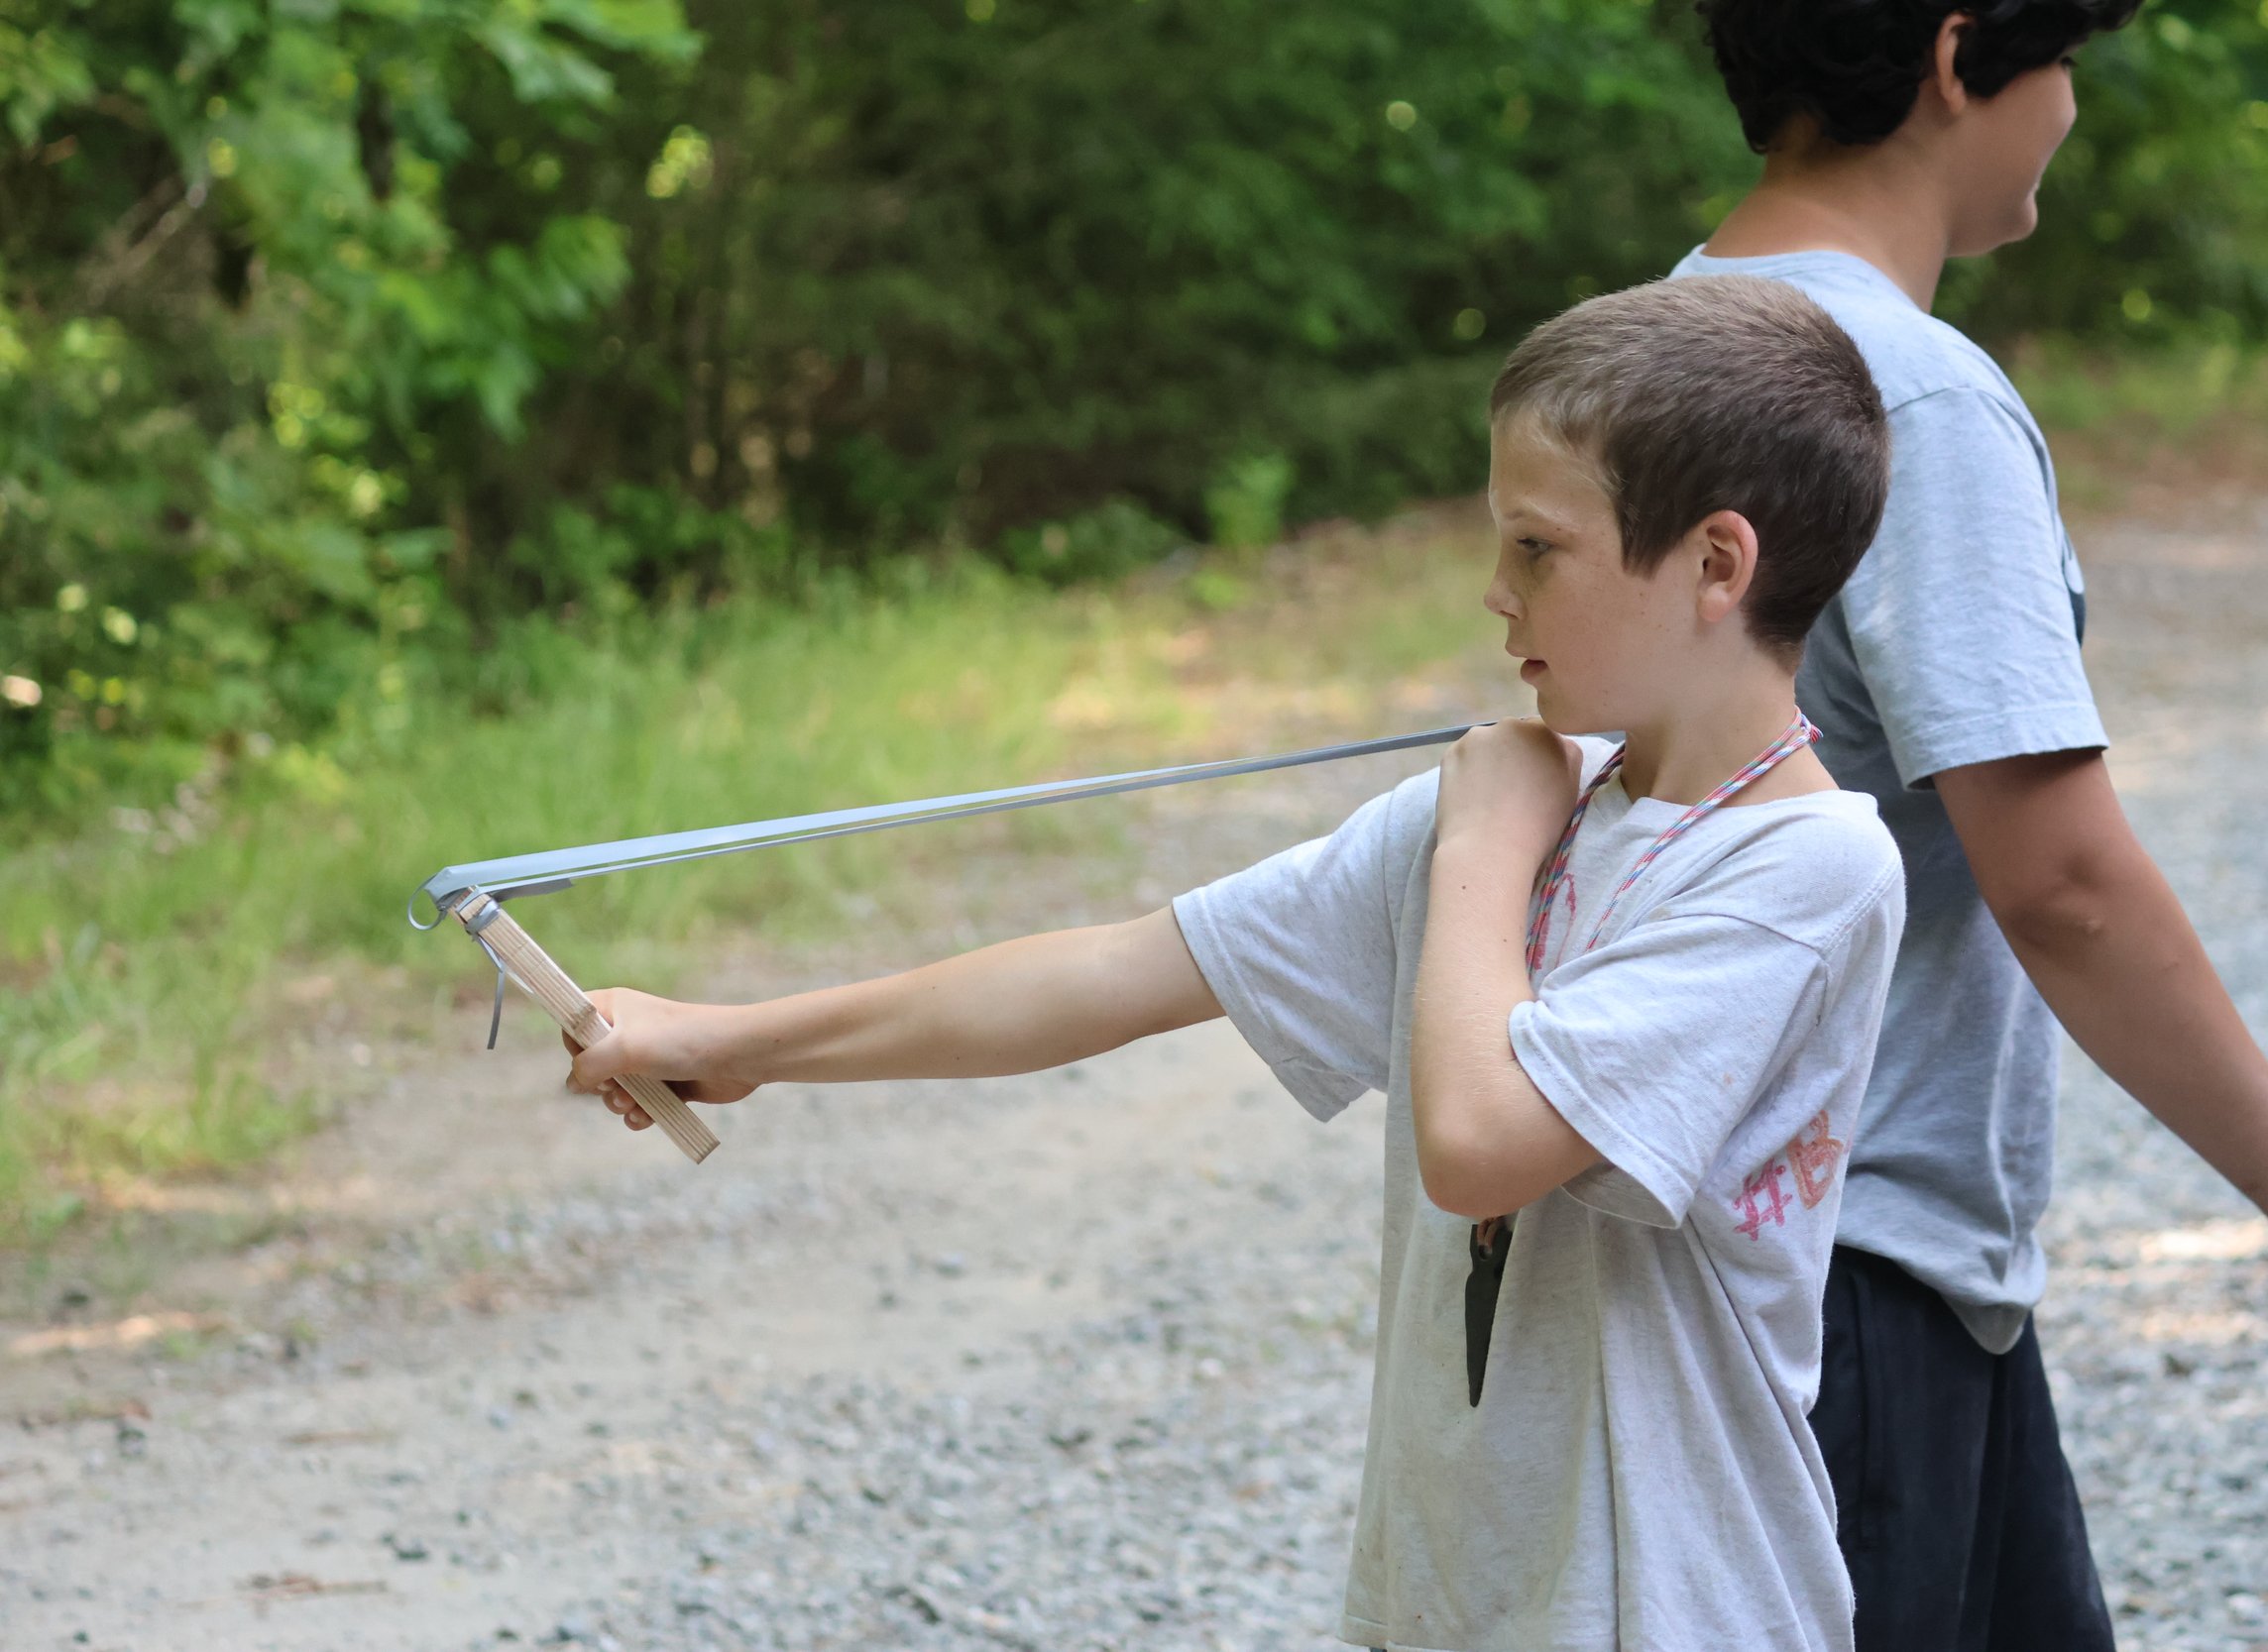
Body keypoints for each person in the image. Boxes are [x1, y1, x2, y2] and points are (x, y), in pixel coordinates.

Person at [565, 276, 1908, 1651]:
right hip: (1456, 1601)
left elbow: (1482, 1147)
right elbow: (1111, 973)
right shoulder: (1515, 807)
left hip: (1678, 1611)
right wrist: (731, 1040)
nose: (1494, 595)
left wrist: (1481, 857)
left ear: (1715, 565)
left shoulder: (1802, 873)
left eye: (1537, 548)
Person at [1671, 4, 2268, 1647]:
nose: (2069, 104)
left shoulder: (1652, 334)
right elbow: (2061, 881)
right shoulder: (1910, 401)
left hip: (1736, 1244)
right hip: (1858, 1282)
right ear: (1955, 60)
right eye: (2063, 58)